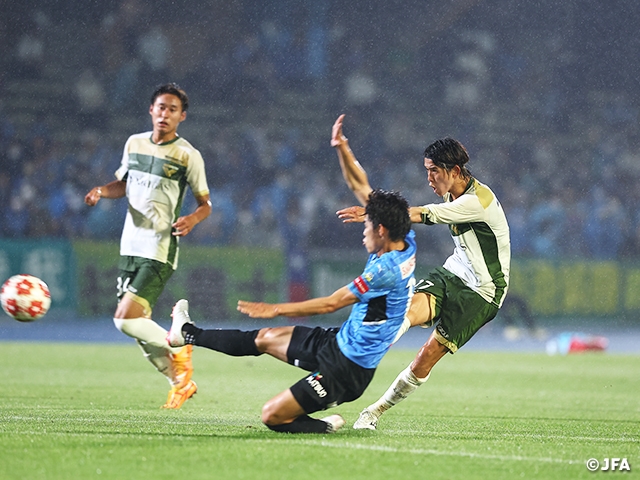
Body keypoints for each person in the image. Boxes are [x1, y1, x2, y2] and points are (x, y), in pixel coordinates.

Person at [167, 189, 416, 433]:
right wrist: (343, 151)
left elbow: (331, 303)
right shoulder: (406, 241)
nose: (363, 232)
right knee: (263, 338)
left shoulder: (384, 270)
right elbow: (368, 192)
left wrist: (276, 309)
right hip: (338, 341)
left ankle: (324, 426)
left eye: (367, 225)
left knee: (271, 415)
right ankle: (187, 334)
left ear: (381, 230)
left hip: (347, 371)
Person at [331, 114, 510, 430]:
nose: (429, 178)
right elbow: (380, 196)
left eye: (434, 172)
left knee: (425, 357)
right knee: (403, 314)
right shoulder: (452, 189)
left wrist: (376, 212)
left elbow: (426, 215)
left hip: (483, 292)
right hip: (453, 274)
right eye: (427, 171)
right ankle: (351, 365)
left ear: (454, 171)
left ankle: (373, 412)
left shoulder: (478, 201)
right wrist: (344, 151)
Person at [84, 83, 212, 409]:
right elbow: (123, 185)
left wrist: (192, 220)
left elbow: (205, 204)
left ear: (182, 116)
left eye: (172, 109)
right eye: (160, 107)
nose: (165, 114)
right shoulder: (134, 143)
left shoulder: (187, 155)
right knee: (138, 327)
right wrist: (101, 191)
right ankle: (179, 380)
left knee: (124, 320)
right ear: (151, 110)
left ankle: (180, 344)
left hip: (160, 246)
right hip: (130, 245)